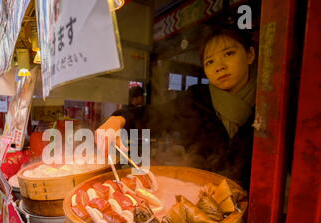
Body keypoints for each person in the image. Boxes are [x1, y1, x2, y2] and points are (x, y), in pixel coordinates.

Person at [96, 27, 257, 188]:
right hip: (198, 195)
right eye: (210, 61)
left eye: (228, 53)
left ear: (250, 54)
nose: (219, 66)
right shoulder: (196, 99)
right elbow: (155, 116)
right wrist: (119, 119)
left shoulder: (270, 102)